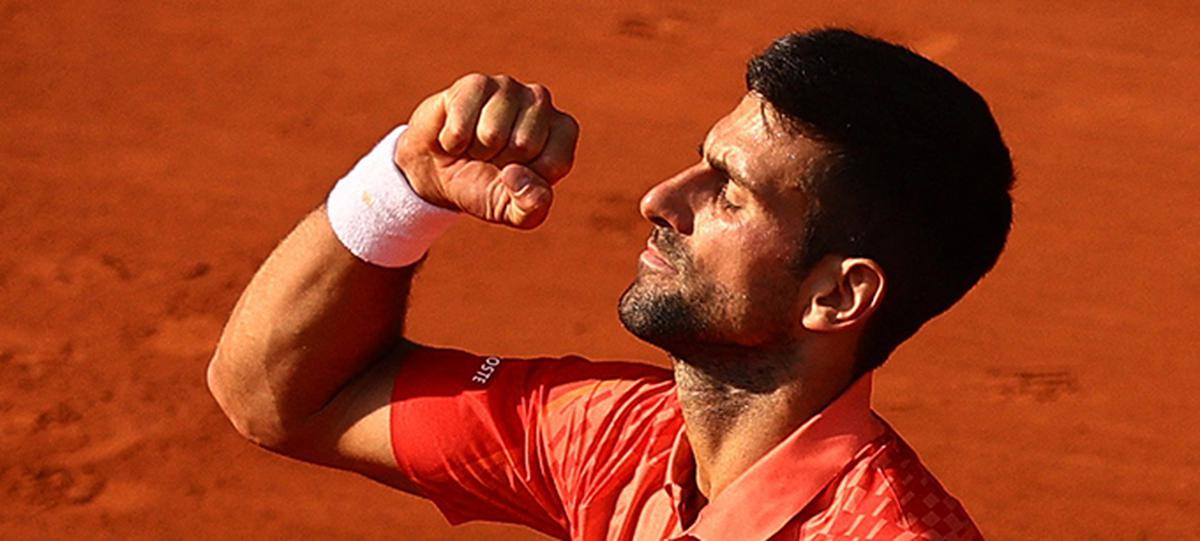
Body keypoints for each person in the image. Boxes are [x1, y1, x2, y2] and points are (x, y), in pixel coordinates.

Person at [207, 28, 1012, 540]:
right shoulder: (618, 438)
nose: (660, 200)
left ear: (836, 296)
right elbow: (282, 397)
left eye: (728, 191)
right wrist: (400, 189)